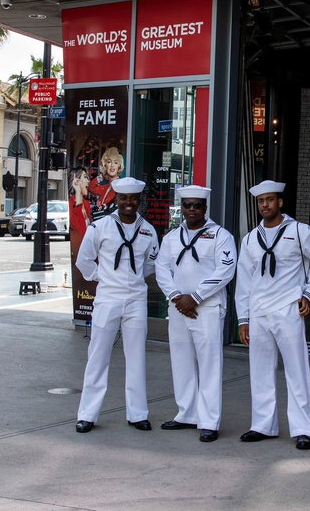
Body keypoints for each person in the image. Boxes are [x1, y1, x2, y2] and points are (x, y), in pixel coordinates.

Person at [235, 180, 310, 451]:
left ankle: (304, 429)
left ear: (280, 202)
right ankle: (263, 425)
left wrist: (308, 293)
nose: (265, 204)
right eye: (261, 201)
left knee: (296, 370)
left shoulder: (299, 231)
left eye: (270, 199)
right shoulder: (251, 238)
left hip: (288, 308)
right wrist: (244, 319)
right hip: (259, 311)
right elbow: (244, 281)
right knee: (259, 371)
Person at [75, 176, 160, 434]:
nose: (128, 203)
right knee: (97, 356)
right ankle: (87, 415)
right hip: (107, 298)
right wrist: (102, 277)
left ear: (139, 200)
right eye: (124, 198)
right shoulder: (101, 227)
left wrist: (130, 280)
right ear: (117, 199)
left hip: (136, 299)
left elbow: (150, 265)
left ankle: (137, 414)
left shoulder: (148, 230)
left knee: (136, 357)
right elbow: (84, 260)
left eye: (133, 198)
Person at [155, 185, 237, 443]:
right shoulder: (170, 238)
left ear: (205, 207)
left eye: (197, 205)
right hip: (179, 308)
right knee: (181, 362)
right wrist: (178, 298)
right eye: (187, 205)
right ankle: (186, 414)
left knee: (209, 365)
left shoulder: (220, 235)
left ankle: (209, 421)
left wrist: (196, 297)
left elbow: (225, 270)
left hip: (207, 308)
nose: (192, 209)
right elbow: (161, 269)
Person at [88, 146, 124, 212]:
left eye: (116, 162)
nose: (112, 165)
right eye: (109, 162)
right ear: (105, 165)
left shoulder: (121, 186)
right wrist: (102, 175)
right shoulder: (105, 187)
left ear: (119, 166)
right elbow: (90, 187)